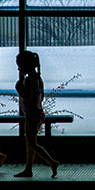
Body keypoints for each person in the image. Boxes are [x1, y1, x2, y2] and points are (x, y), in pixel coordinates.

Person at [14, 50, 59, 178]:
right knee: (30, 142)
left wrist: (19, 88)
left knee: (32, 143)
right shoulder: (38, 78)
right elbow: (41, 97)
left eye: (20, 65)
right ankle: (28, 169)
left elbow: (28, 97)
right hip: (37, 113)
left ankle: (52, 162)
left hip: (32, 114)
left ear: (26, 65)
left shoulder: (30, 80)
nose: (19, 68)